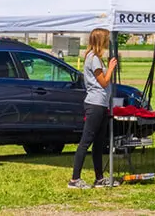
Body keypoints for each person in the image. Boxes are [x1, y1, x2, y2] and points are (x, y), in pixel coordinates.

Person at [69, 28, 118, 189]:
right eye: (106, 39)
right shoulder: (94, 58)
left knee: (99, 142)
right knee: (86, 141)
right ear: (100, 41)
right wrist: (110, 68)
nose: (108, 42)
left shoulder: (96, 58)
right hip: (95, 104)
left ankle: (99, 177)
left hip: (102, 104)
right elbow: (103, 82)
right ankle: (75, 179)